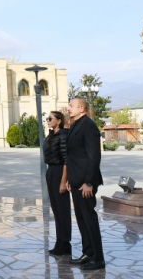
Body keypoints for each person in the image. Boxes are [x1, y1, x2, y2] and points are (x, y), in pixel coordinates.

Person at [66, 98, 105, 270]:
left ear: (82, 108)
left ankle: (98, 258)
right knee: (81, 219)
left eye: (71, 106)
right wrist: (70, 179)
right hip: (76, 181)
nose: (68, 108)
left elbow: (93, 156)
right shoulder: (76, 124)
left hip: (86, 182)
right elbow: (74, 156)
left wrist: (89, 182)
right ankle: (88, 253)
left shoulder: (88, 125)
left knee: (89, 219)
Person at [44, 110, 71, 256]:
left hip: (60, 172)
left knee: (63, 210)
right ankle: (59, 241)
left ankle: (65, 243)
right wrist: (49, 179)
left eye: (50, 118)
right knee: (56, 210)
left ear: (59, 121)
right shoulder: (51, 135)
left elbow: (66, 160)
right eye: (47, 118)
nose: (47, 120)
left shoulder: (63, 136)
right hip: (52, 172)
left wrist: (63, 181)